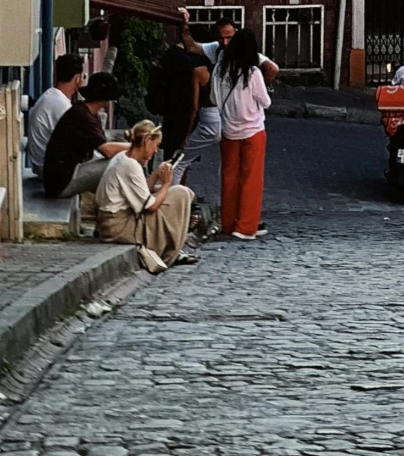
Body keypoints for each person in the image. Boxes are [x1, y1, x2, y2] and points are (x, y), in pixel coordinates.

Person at [95, 120, 197, 269]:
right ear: (148, 141)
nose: (156, 150)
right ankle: (171, 251)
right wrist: (166, 184)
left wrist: (157, 175)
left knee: (178, 192)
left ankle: (173, 247)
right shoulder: (129, 165)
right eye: (156, 145)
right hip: (118, 226)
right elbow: (150, 206)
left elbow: (141, 190)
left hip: (112, 223)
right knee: (180, 193)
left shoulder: (124, 157)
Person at [215, 25, 272, 241]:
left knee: (229, 178)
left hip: (229, 130)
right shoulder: (253, 72)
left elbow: (215, 98)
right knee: (251, 179)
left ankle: (229, 223)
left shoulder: (219, 72)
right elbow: (266, 102)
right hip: (253, 130)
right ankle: (246, 226)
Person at [41, 73, 128, 200]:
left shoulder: (87, 112)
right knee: (122, 162)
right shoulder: (82, 116)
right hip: (62, 181)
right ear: (104, 98)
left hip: (68, 173)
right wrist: (136, 146)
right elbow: (107, 151)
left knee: (122, 160)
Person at [155, 16, 211, 161]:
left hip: (171, 107)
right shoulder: (193, 60)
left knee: (170, 152)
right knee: (185, 156)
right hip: (186, 108)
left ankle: (167, 179)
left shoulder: (172, 54)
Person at [26, 54, 84, 176]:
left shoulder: (51, 96)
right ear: (77, 78)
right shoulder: (61, 105)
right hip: (51, 172)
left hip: (42, 166)